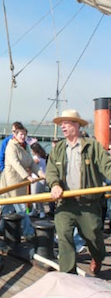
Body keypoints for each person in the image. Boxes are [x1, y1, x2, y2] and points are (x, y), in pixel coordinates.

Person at [46, 109, 111, 274]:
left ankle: (98, 257)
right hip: (65, 203)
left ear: (77, 125)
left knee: (93, 237)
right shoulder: (58, 149)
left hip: (88, 204)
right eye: (61, 124)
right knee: (64, 236)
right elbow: (51, 170)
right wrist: (54, 184)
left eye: (66, 123)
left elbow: (107, 167)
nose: (63, 127)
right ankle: (68, 275)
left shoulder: (93, 147)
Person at [0, 123, 45, 240]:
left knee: (8, 207)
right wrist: (27, 176)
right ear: (15, 134)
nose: (23, 137)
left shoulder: (24, 147)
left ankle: (2, 228)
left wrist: (40, 173)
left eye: (25, 134)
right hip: (12, 181)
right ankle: (28, 232)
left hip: (20, 181)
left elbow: (30, 162)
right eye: (21, 134)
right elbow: (16, 164)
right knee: (20, 208)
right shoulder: (11, 147)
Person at [29, 141, 47, 219]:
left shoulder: (36, 159)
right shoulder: (43, 157)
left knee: (37, 195)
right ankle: (35, 210)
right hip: (39, 177)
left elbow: (30, 166)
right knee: (35, 195)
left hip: (38, 178)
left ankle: (41, 211)